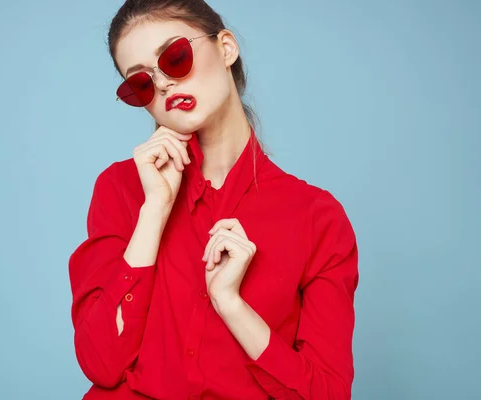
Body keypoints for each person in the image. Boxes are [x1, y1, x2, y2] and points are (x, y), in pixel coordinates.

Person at [68, 1, 359, 399]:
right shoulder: (121, 188)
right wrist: (153, 211)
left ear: (225, 48)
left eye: (175, 57)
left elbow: (327, 392)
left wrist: (232, 305)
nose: (164, 84)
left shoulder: (316, 218)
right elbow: (100, 361)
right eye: (141, 83)